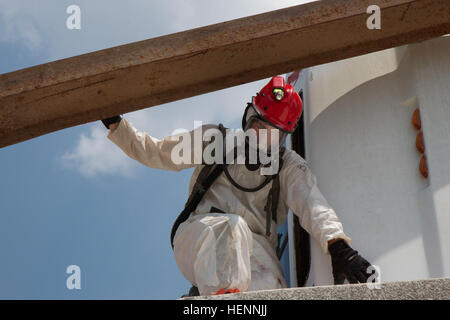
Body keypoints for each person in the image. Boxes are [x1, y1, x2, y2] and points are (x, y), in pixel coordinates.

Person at [101, 76, 373, 296]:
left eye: (270, 134)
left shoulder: (287, 164)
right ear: (247, 116)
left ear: (282, 138)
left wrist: (338, 246)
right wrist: (117, 125)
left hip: (254, 252)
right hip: (200, 238)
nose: (258, 137)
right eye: (256, 125)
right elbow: (157, 152)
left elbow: (311, 203)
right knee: (231, 227)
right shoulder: (215, 140)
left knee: (271, 288)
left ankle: (221, 294)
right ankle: (221, 297)